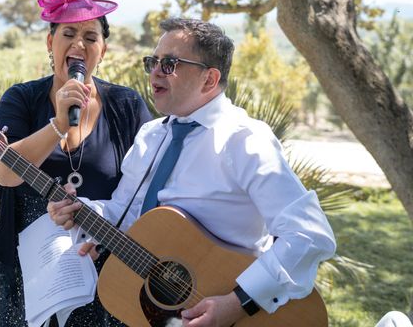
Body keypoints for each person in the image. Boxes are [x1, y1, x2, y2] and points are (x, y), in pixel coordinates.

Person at [48, 18, 336, 326]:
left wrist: (239, 302)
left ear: (209, 80)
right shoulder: (151, 136)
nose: (155, 72)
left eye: (170, 64)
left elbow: (309, 235)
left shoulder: (245, 141)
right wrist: (83, 211)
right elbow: (125, 214)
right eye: (153, 62)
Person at [0, 0, 152, 326]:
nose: (79, 44)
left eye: (91, 37)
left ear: (103, 50)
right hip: (31, 270)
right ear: (50, 43)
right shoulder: (20, 99)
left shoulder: (126, 105)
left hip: (106, 267)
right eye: (68, 34)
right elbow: (4, 172)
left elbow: (150, 184)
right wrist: (58, 124)